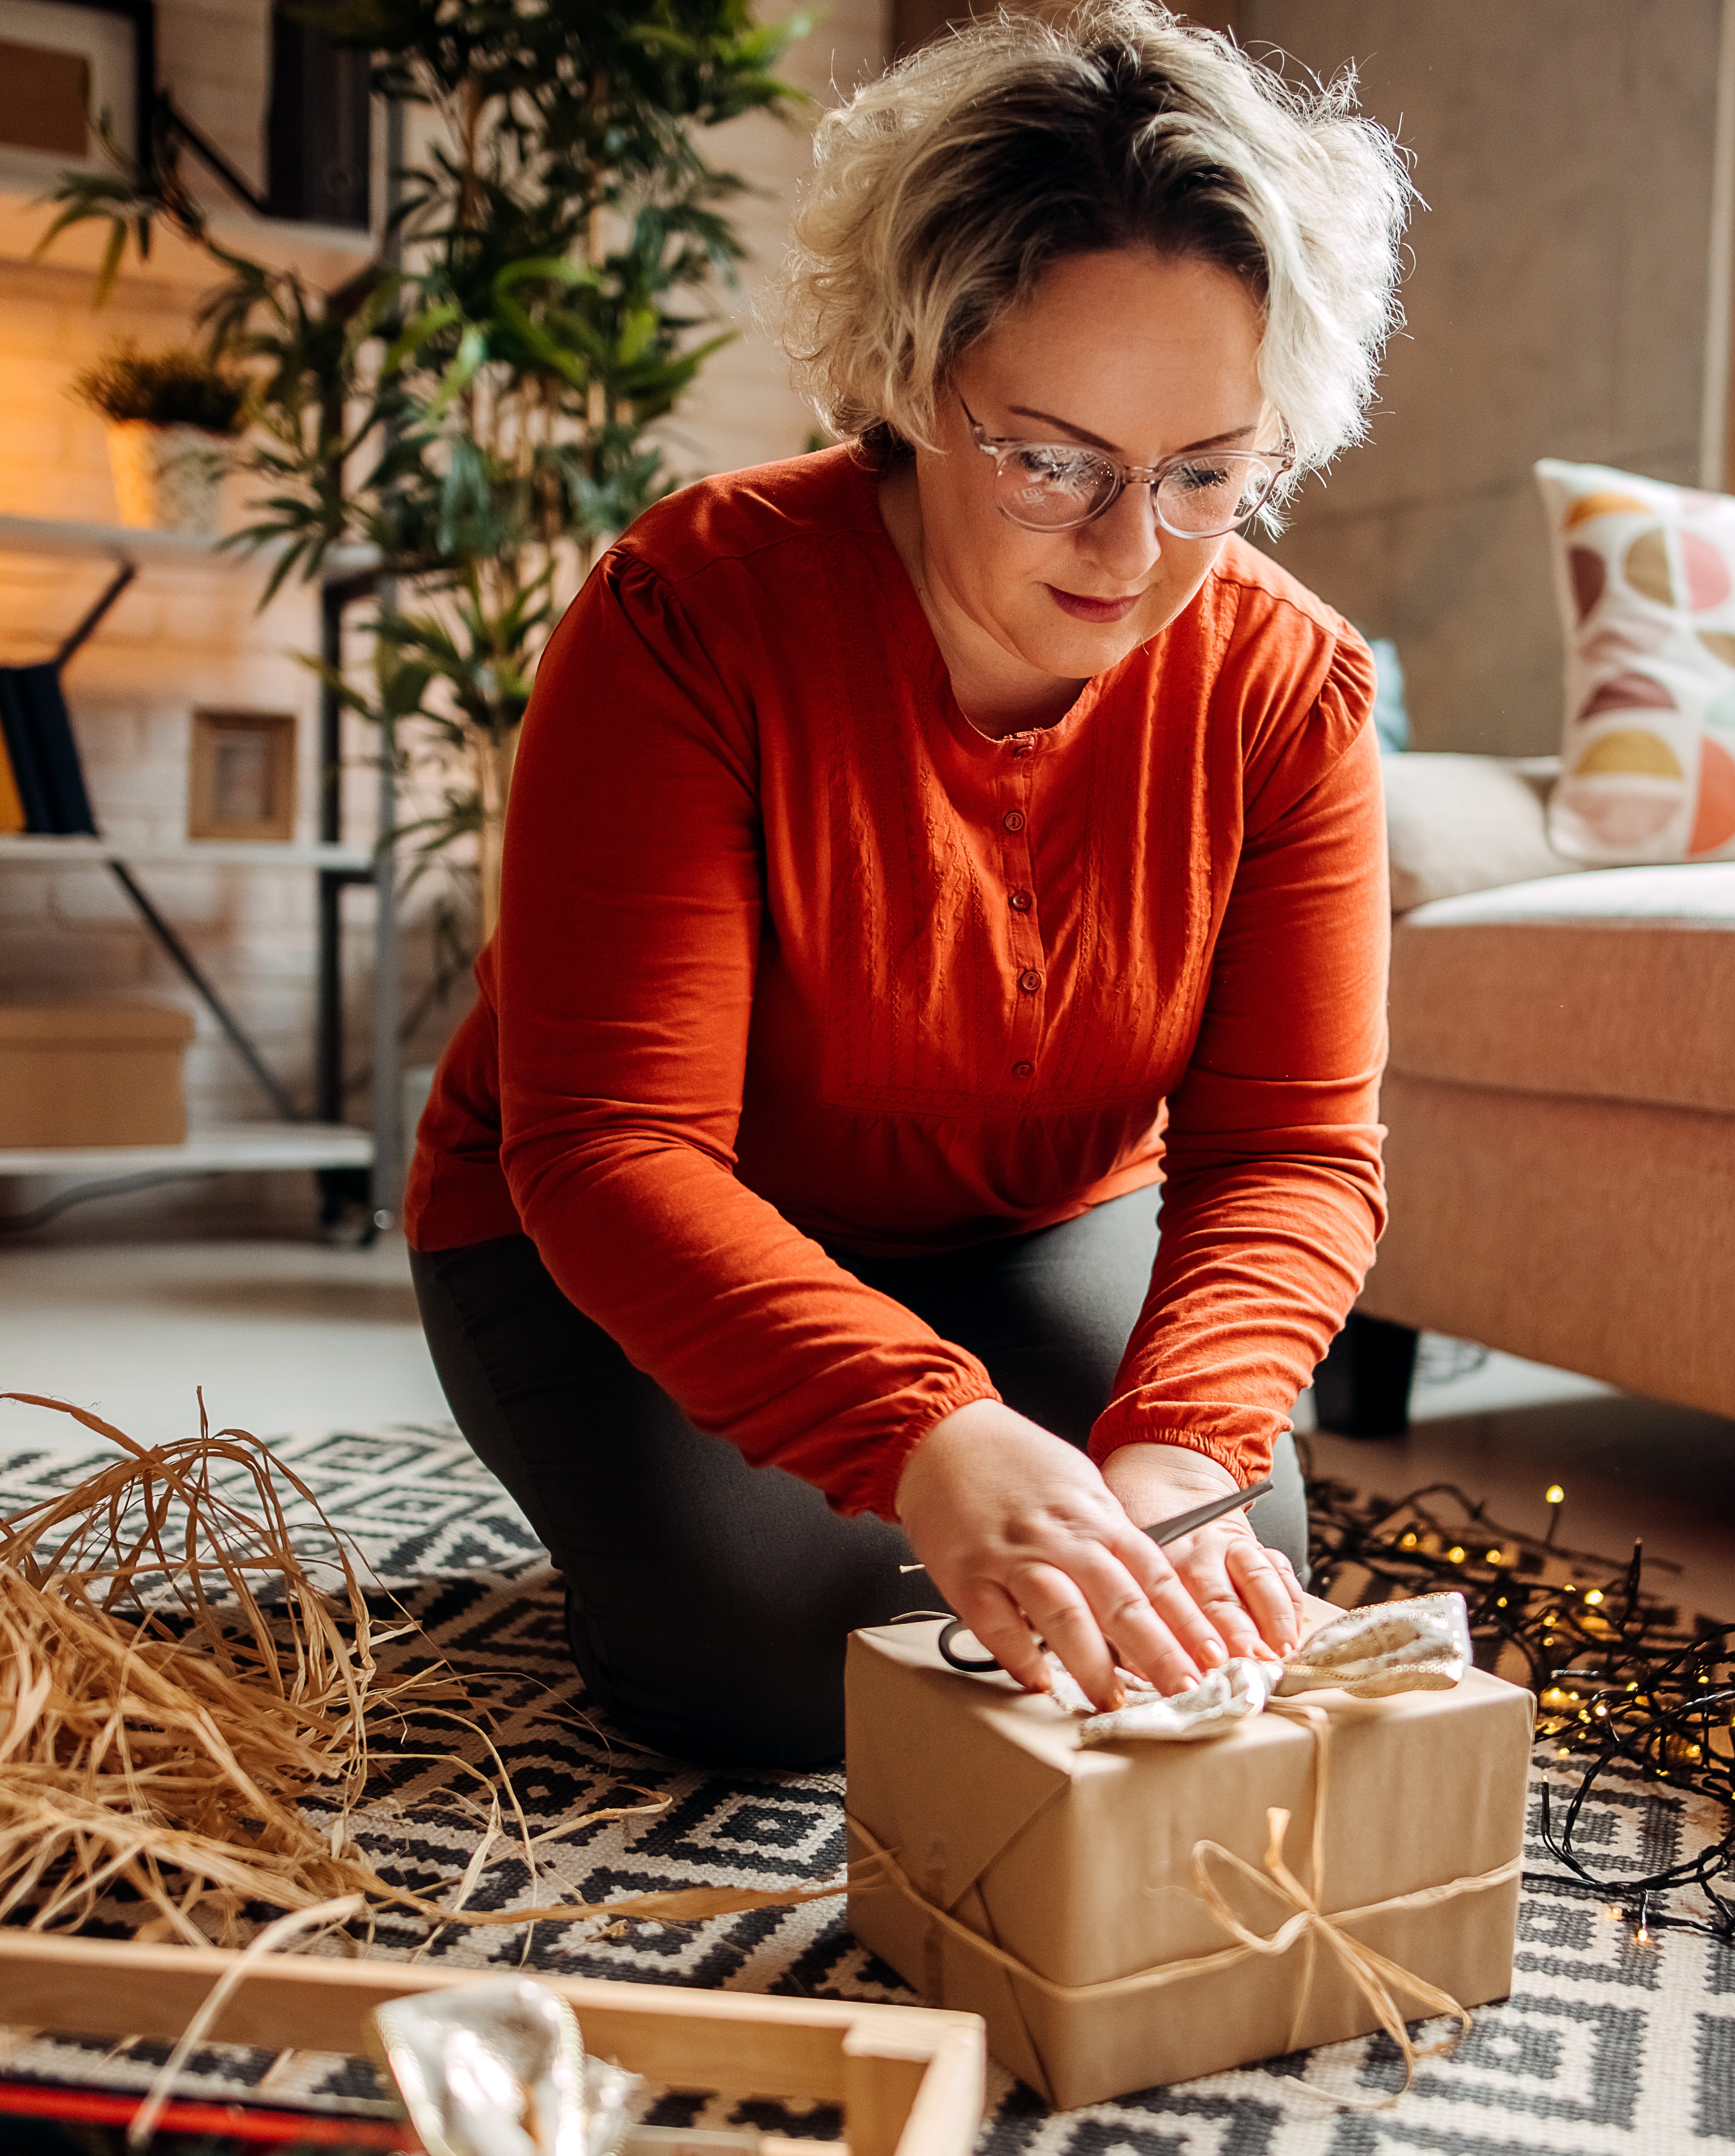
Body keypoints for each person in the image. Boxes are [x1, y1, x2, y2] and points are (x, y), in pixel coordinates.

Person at [402, 0, 1413, 1766]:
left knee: (1199, 1582)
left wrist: (1184, 1447)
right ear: (908, 373)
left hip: (1031, 1219)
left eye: (1206, 476)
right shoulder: (690, 613)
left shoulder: (1289, 690)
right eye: (1052, 460)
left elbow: (1290, 1155)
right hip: (615, 1225)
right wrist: (932, 1434)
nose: (1132, 552)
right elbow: (612, 1147)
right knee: (798, 1660)